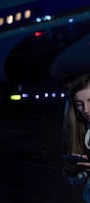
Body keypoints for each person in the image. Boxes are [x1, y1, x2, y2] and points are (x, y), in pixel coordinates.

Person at [62, 73, 90, 202]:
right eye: (79, 104)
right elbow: (74, 181)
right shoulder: (82, 131)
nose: (86, 109)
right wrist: (74, 171)